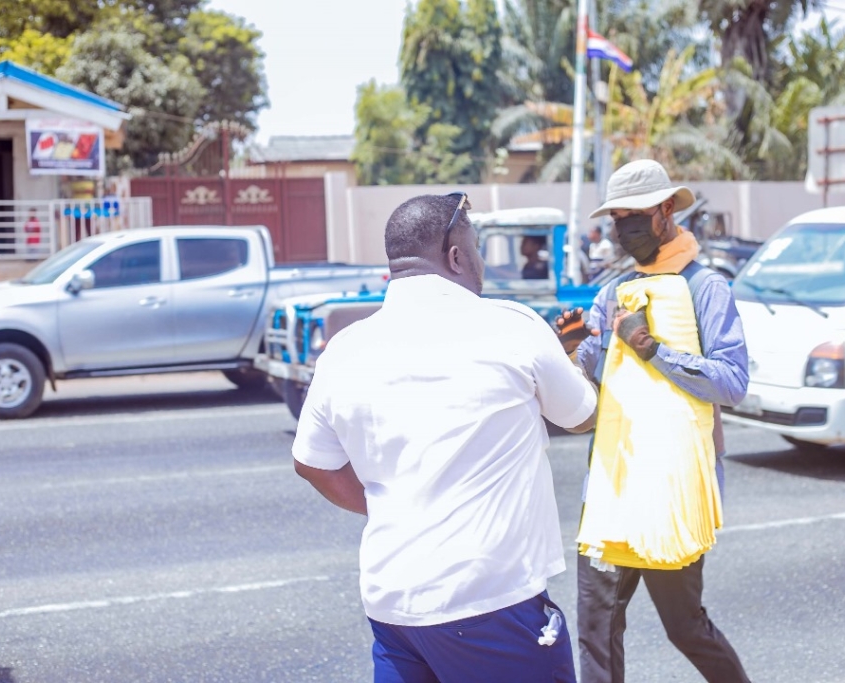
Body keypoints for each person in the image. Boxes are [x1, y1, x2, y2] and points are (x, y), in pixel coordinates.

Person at [292, 193, 598, 683]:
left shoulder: (345, 349)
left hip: (394, 608)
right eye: (476, 251)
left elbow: (312, 462)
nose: (481, 265)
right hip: (490, 600)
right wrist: (574, 358)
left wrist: (395, 508)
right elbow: (582, 415)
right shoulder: (511, 325)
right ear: (456, 257)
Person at [557, 160, 751, 683]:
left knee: (685, 628)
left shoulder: (706, 289)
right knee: (595, 631)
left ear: (668, 210)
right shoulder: (611, 293)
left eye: (637, 215)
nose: (626, 228)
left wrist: (653, 349)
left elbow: (732, 383)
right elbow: (592, 384)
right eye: (618, 218)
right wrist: (578, 351)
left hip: (672, 489)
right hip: (612, 489)